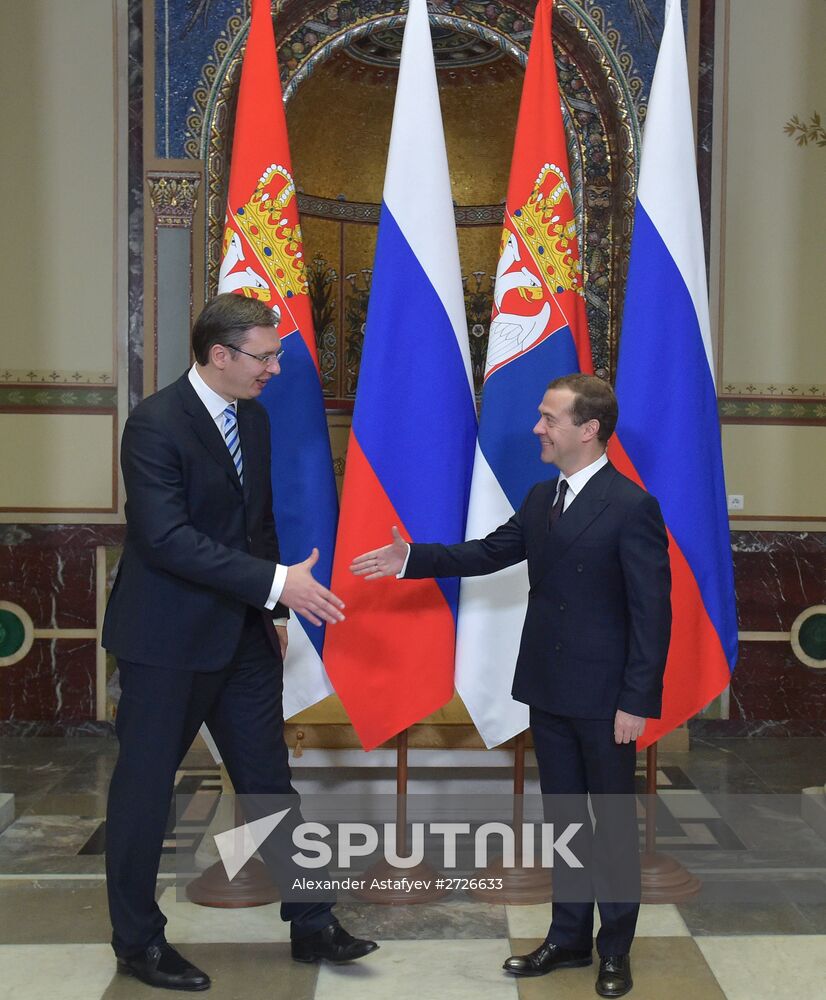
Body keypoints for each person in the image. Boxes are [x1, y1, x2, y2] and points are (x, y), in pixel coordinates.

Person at [351, 373, 671, 998]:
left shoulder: (633, 507)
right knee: (565, 824)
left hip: (608, 703)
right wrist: (413, 559)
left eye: (549, 419)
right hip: (549, 690)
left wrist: (637, 700)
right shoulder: (538, 499)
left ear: (589, 430)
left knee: (608, 827)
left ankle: (614, 950)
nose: (537, 429)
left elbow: (652, 616)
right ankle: (569, 937)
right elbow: (488, 553)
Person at [103, 294, 377, 991]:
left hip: (244, 635)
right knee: (144, 788)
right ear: (220, 355)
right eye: (265, 355)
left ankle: (312, 922)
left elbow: (257, 527)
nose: (277, 368)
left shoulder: (251, 420)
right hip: (166, 640)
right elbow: (165, 540)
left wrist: (275, 612)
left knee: (268, 780)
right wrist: (276, 583)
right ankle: (137, 941)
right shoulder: (155, 425)